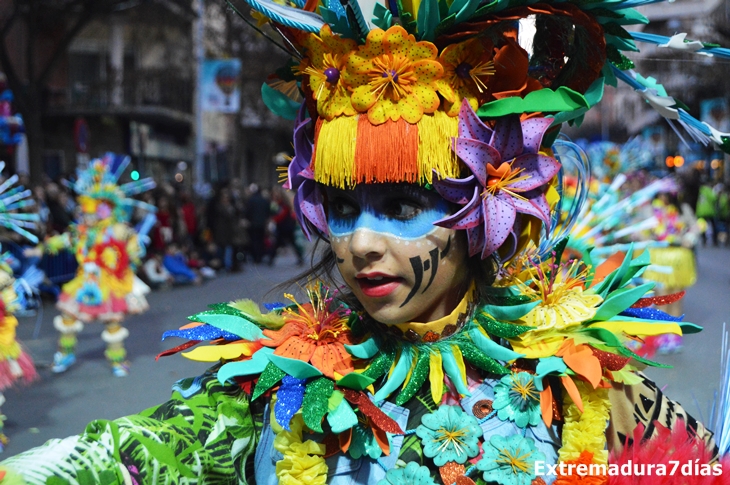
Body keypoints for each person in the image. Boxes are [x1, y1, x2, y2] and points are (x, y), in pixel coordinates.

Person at [3, 1, 730, 483]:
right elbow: (120, 458)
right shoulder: (280, 383)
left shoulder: (580, 380)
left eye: (404, 204)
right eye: (342, 207)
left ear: (486, 207)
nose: (360, 243)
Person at [25, 154, 157, 377]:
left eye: (91, 211)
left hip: (109, 281)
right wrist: (40, 248)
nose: (85, 216)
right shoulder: (82, 232)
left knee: (113, 322)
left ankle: (117, 360)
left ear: (104, 209)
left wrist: (134, 248)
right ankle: (65, 354)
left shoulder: (116, 229)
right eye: (84, 212)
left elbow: (131, 246)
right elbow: (64, 240)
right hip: (84, 279)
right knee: (68, 318)